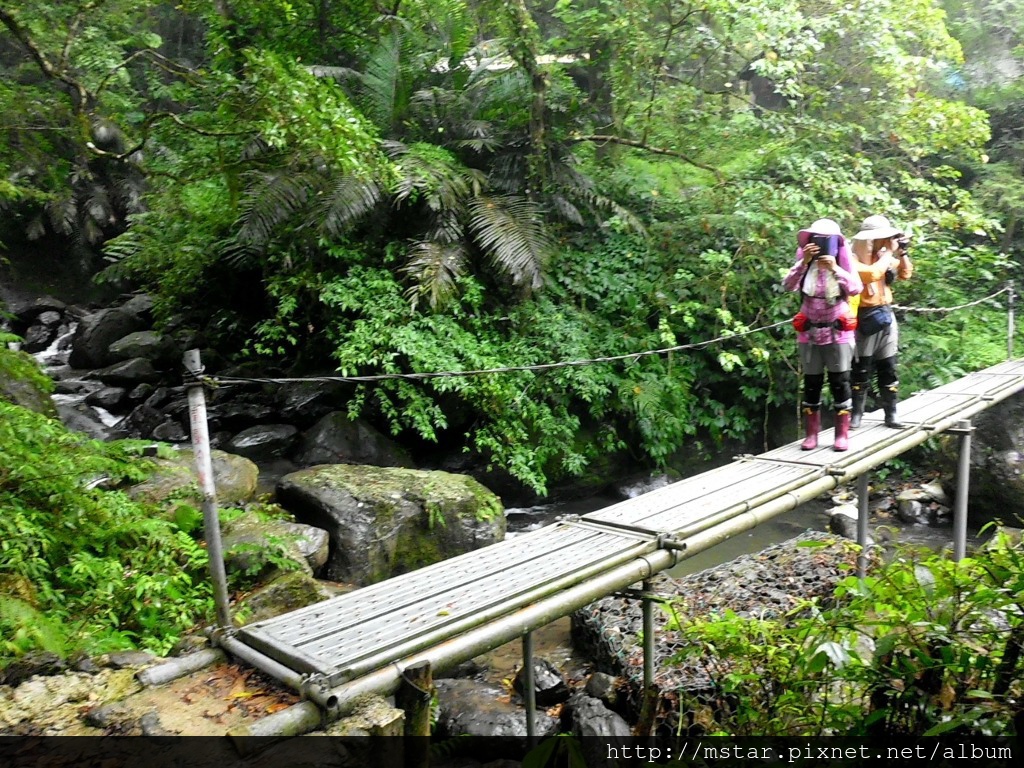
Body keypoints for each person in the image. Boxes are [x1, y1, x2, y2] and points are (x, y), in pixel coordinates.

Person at [783, 218, 863, 451]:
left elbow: (856, 288)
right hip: (809, 330)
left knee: (840, 381)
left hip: (838, 330)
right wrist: (805, 261)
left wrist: (835, 268)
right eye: (816, 240)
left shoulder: (842, 264)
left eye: (826, 241)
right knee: (812, 382)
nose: (820, 245)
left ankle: (842, 434)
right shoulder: (805, 264)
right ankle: (811, 435)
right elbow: (788, 285)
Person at [849, 214, 914, 429]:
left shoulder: (884, 257)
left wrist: (902, 252)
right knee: (861, 368)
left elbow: (906, 273)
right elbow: (872, 275)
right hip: (863, 317)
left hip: (885, 315)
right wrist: (888, 252)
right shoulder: (851, 259)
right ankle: (857, 414)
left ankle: (891, 413)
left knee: (888, 366)